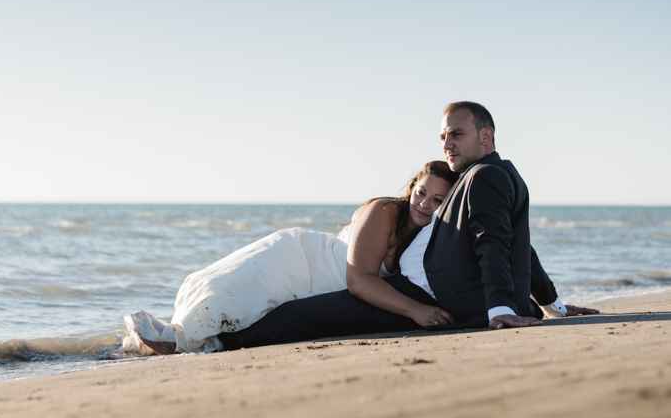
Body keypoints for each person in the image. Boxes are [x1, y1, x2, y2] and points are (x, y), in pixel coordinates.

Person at [216, 101, 597, 351]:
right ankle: (221, 337)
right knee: (305, 315)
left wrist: (499, 308)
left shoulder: (482, 176)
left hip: (425, 295)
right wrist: (553, 305)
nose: (447, 144)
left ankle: (218, 344)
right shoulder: (498, 174)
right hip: (424, 292)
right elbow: (520, 246)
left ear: (486, 136)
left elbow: (493, 241)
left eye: (457, 134)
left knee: (303, 316)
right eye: (443, 136)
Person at [123, 160, 459, 355]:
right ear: (411, 187)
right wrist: (417, 310)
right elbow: (360, 280)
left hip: (319, 288)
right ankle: (176, 340)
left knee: (259, 321)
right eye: (421, 193)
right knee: (232, 301)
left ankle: (184, 343)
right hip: (299, 261)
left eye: (437, 201)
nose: (424, 205)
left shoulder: (425, 233)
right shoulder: (386, 211)